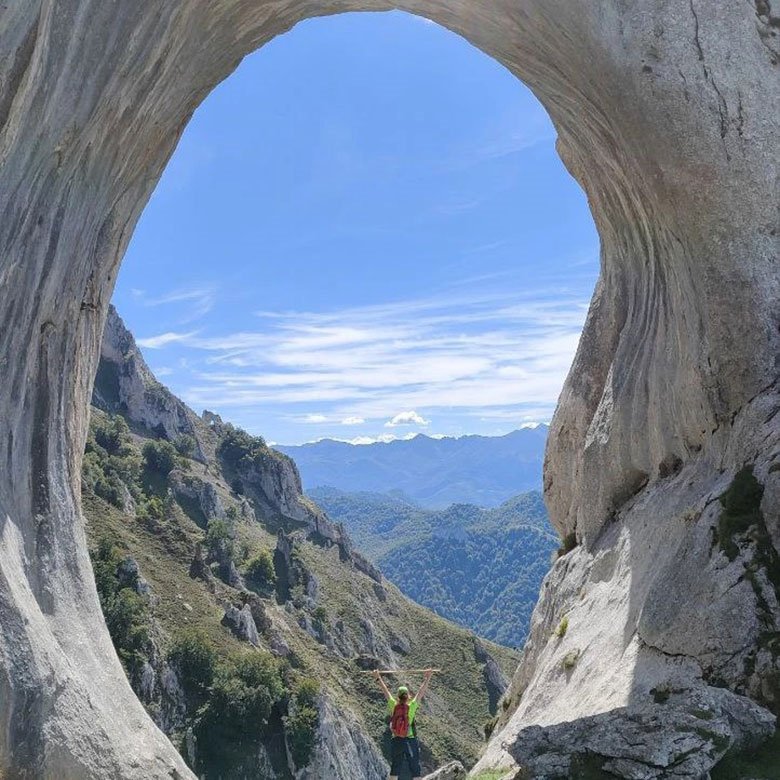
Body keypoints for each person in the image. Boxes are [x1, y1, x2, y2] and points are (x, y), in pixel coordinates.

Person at [373, 669, 434, 780]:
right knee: (415, 767)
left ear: (398, 696)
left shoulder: (393, 705)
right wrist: (428, 677)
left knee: (395, 766)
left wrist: (377, 677)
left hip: (396, 739)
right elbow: (421, 691)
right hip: (410, 739)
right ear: (408, 696)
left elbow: (385, 690)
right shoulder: (412, 706)